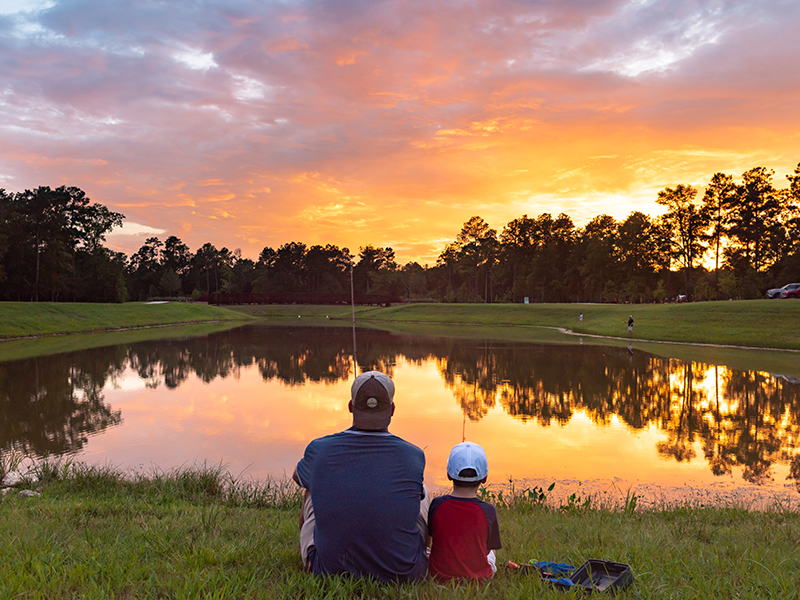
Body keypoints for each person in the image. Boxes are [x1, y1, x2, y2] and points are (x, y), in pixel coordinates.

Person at [292, 371, 430, 583]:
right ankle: (415, 553)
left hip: (329, 571)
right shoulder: (413, 455)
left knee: (309, 487)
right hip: (403, 574)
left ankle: (315, 556)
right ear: (392, 409)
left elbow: (297, 476)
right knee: (424, 491)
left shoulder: (319, 449)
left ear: (350, 406)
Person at [428, 441, 502, 582]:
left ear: (449, 475)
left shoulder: (437, 504)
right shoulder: (488, 510)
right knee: (491, 553)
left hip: (438, 576)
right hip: (478, 579)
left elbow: (431, 540)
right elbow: (486, 550)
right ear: (484, 478)